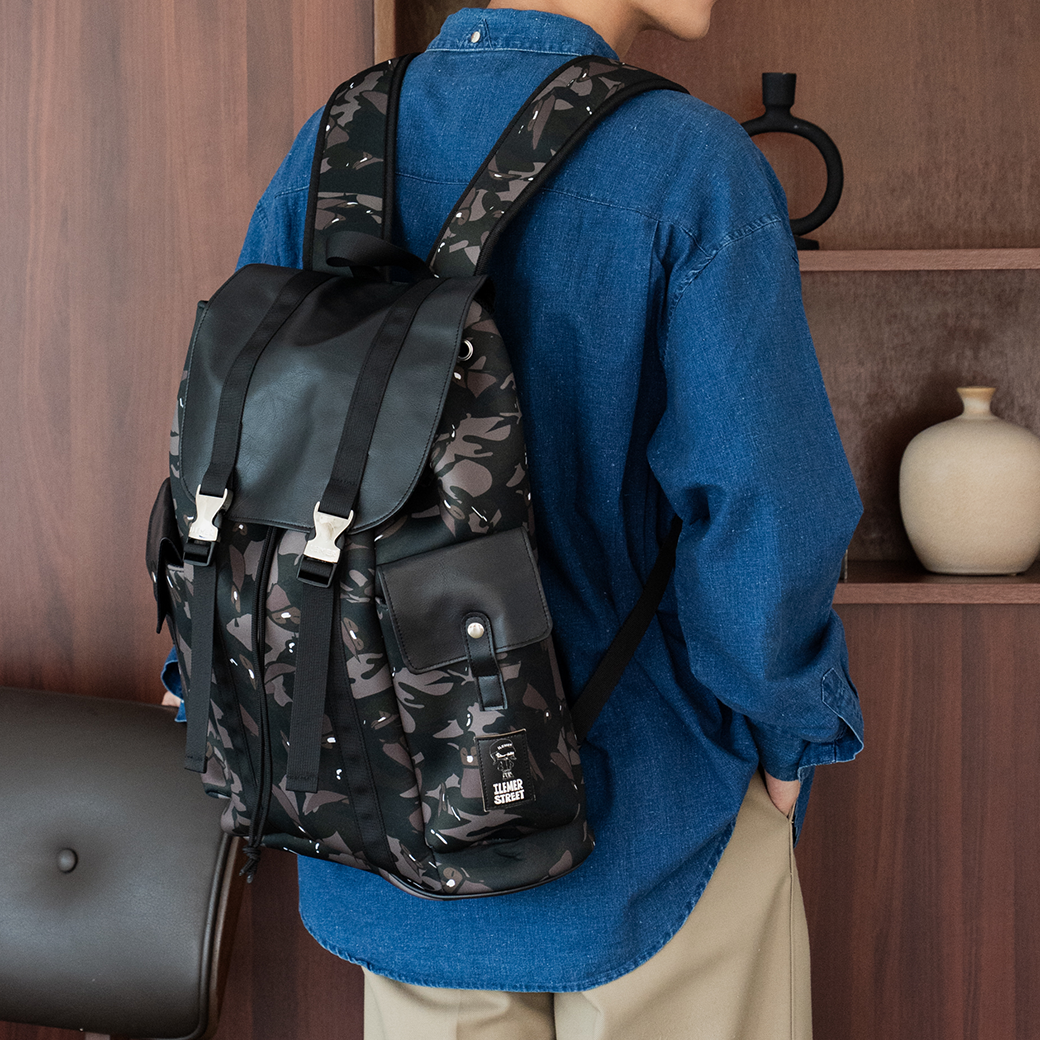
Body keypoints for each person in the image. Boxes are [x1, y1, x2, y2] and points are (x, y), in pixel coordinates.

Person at [230, 1, 865, 1037]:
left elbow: (246, 464)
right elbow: (764, 505)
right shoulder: (689, 164)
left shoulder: (333, 146)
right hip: (651, 818)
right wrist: (791, 732)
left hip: (384, 815)